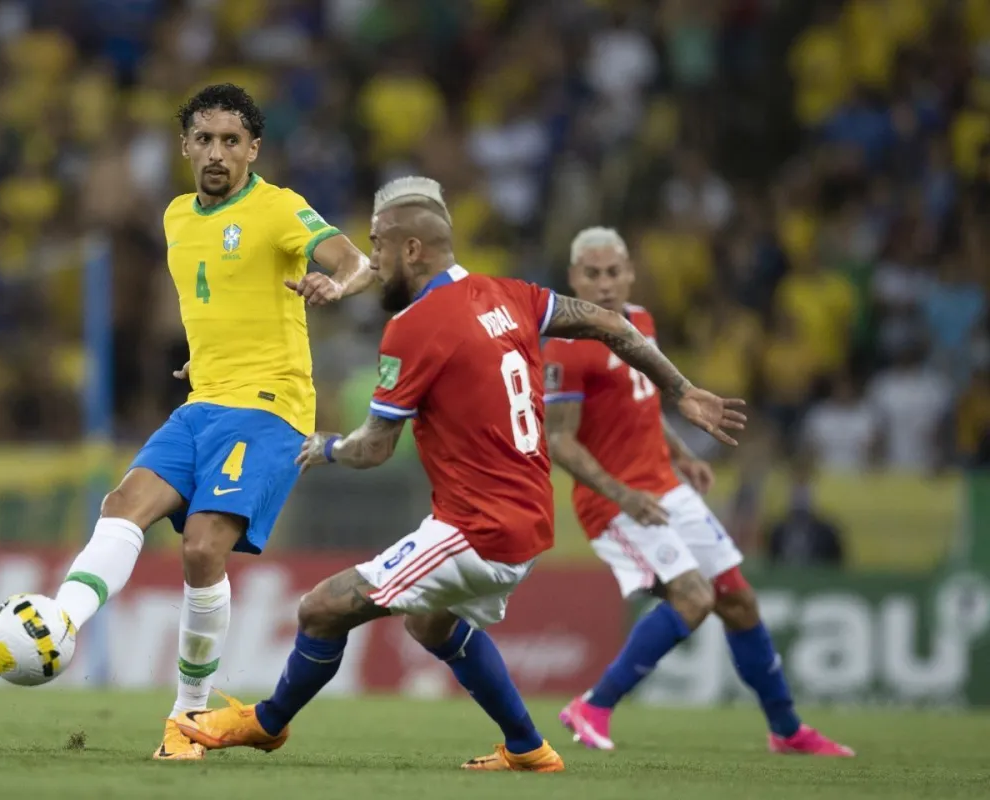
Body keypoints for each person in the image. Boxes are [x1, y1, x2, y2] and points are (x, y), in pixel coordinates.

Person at [174, 178, 745, 771]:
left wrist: (329, 448)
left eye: (378, 247)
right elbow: (611, 323)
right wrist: (681, 389)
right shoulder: (511, 294)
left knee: (321, 608)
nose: (372, 260)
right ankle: (527, 747)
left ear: (412, 250)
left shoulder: (415, 327)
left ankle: (267, 723)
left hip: (480, 529)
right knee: (430, 621)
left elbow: (374, 449)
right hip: (526, 520)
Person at [0, 84, 375, 761]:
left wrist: (339, 285)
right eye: (204, 139)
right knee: (121, 506)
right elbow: (216, 303)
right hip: (203, 400)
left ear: (254, 149)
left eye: (231, 141)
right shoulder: (178, 216)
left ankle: (188, 718)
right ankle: (54, 624)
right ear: (184, 147)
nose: (217, 152)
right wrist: (200, 361)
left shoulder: (279, 209)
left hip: (270, 407)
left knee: (203, 547)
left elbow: (355, 259)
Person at [543, 227, 853, 757]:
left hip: (666, 486)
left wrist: (681, 453)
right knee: (694, 597)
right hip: (616, 504)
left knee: (739, 601)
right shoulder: (566, 348)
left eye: (613, 271)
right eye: (591, 274)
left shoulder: (639, 321)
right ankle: (593, 705)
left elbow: (640, 402)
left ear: (630, 273)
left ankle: (786, 729)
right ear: (573, 279)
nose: (604, 283)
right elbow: (559, 441)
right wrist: (621, 493)